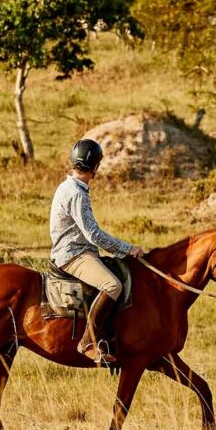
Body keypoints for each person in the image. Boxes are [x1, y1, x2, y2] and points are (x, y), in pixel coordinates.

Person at [49, 139, 144, 364]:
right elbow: (94, 235)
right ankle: (87, 342)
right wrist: (128, 249)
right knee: (113, 285)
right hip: (74, 254)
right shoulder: (77, 193)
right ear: (96, 167)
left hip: (77, 250)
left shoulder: (67, 186)